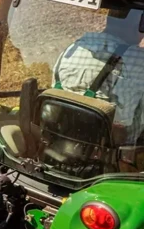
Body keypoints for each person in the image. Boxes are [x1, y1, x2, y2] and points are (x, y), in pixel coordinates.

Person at [52, 8, 144, 144]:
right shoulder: (137, 58)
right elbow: (123, 124)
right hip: (111, 152)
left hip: (60, 138)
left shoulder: (74, 47)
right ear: (139, 25)